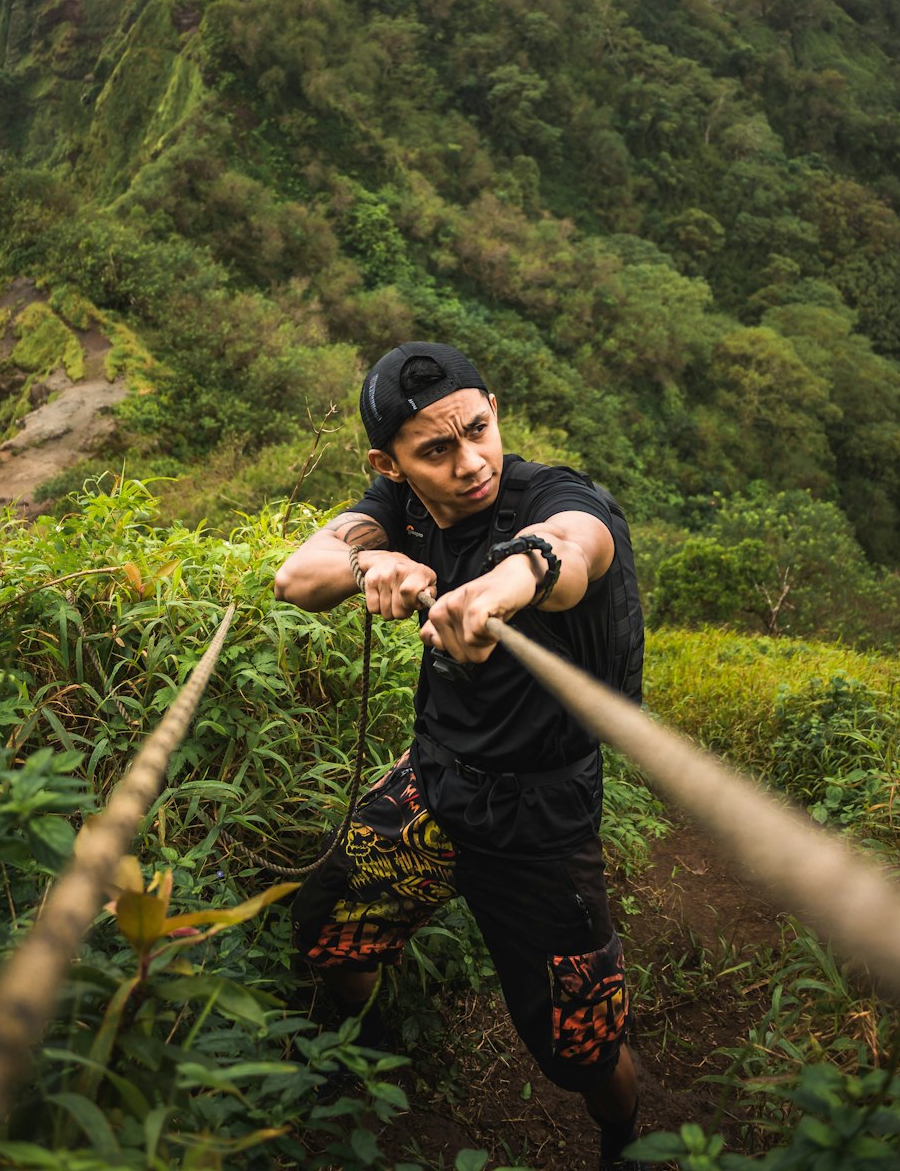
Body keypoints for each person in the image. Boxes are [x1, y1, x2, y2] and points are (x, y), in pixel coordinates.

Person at [274, 341, 645, 1170]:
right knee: (328, 926)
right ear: (391, 463)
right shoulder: (393, 508)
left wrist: (505, 584)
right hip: (435, 784)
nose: (470, 462)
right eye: (436, 451)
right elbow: (295, 577)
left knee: (582, 1045)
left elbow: (574, 549)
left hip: (541, 822)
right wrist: (378, 561)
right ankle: (358, 1047)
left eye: (479, 430)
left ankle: (625, 1138)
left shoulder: (554, 498)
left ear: (494, 412)